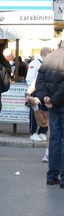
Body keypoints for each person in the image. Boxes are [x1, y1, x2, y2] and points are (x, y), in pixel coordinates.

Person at [35, 40, 64, 188]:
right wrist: (55, 99)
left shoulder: (49, 58)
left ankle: (52, 175)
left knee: (54, 139)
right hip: (59, 102)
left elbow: (39, 81)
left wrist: (45, 97)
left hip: (52, 105)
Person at [26, 47, 50, 143]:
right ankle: (33, 132)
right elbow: (30, 78)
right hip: (35, 90)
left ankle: (42, 131)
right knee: (34, 111)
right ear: (45, 53)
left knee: (44, 111)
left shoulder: (47, 64)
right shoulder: (35, 63)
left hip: (44, 91)